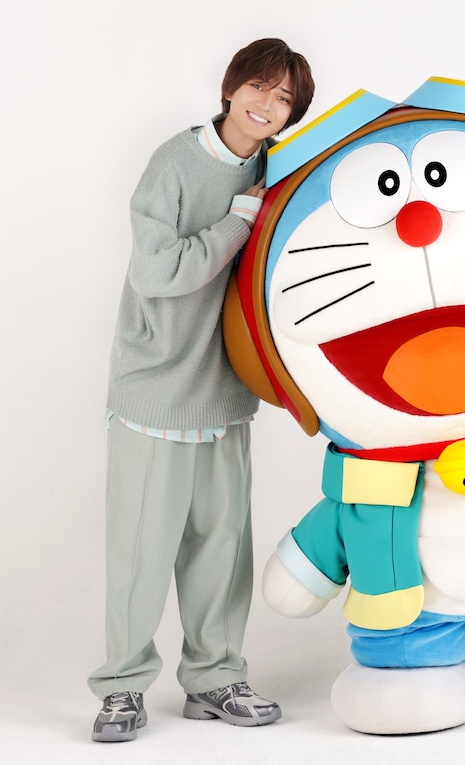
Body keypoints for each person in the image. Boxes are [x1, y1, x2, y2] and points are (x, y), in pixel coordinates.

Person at [88, 38, 314, 742]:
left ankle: (215, 678)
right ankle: (122, 689)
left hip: (225, 389)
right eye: (259, 86)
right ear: (231, 86)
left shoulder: (276, 170)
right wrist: (237, 222)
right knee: (141, 552)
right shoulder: (175, 163)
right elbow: (157, 272)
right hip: (156, 387)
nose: (267, 104)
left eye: (284, 98)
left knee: (222, 547)